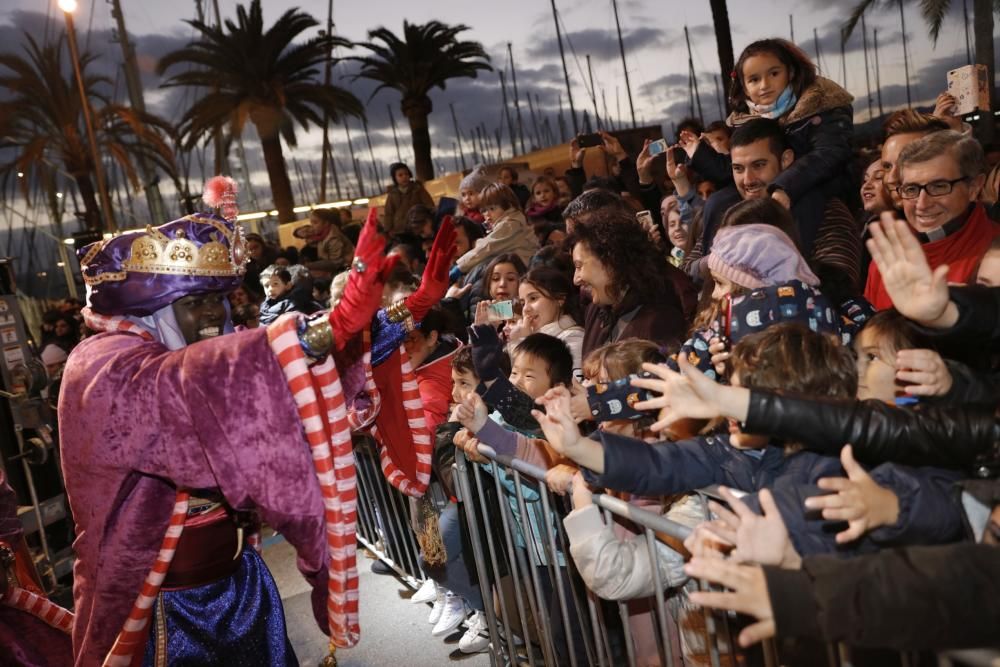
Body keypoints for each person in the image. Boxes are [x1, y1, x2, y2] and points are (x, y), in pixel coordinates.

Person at [59, 182, 400, 665]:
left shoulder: (192, 351)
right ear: (152, 310)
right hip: (162, 608)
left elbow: (271, 380)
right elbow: (189, 385)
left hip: (241, 583)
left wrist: (391, 321)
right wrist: (323, 330)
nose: (210, 316)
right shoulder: (102, 364)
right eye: (192, 302)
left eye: (216, 302)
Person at [864, 130, 1000, 310]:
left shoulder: (995, 256)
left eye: (938, 187)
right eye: (911, 189)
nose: (921, 204)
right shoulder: (887, 259)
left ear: (974, 187)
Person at [571, 208, 687, 357]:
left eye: (579, 266)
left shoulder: (661, 321)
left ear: (611, 261)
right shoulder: (596, 310)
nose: (576, 279)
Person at [506, 266, 584, 378]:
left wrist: (526, 342)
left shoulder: (574, 338)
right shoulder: (529, 334)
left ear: (559, 299)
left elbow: (569, 388)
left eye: (533, 298)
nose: (526, 309)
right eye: (523, 303)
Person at [452, 183, 537, 281]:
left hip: (524, 270)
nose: (487, 214)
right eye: (484, 210)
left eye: (492, 208)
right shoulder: (510, 222)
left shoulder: (509, 224)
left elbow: (488, 246)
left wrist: (460, 267)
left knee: (481, 269)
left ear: (507, 205)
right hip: (519, 268)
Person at [383, 162, 435, 237]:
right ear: (395, 178)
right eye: (400, 175)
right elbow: (389, 213)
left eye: (406, 174)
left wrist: (429, 222)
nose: (404, 177)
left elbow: (429, 205)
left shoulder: (417, 189)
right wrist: (388, 229)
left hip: (417, 228)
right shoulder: (392, 194)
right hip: (399, 230)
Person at [305, 208, 355, 276]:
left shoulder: (333, 238)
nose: (312, 226)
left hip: (346, 271)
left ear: (326, 223)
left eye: (315, 222)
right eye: (311, 223)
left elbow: (336, 263)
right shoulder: (322, 236)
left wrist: (309, 265)